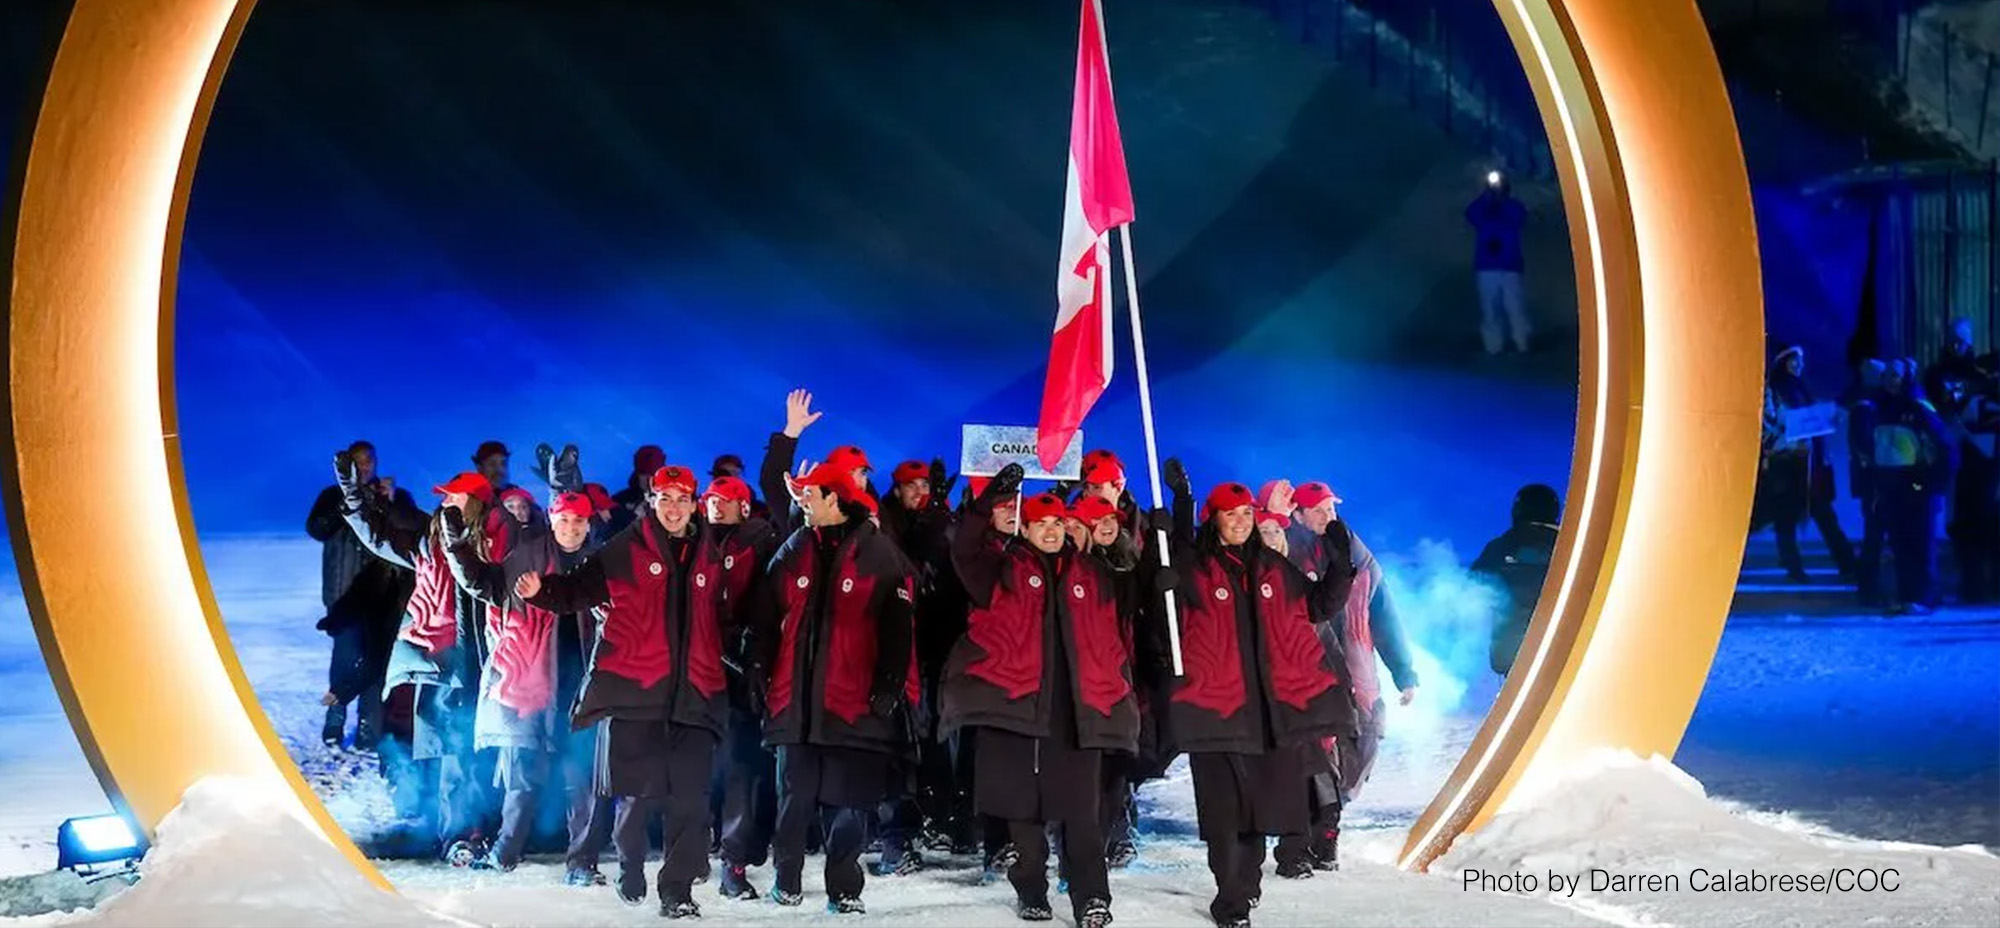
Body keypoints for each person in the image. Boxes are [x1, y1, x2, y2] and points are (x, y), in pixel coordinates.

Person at [517, 465, 733, 918]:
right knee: (635, 797)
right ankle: (630, 864)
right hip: (637, 694)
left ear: (693, 504)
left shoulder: (708, 552)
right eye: (665, 498)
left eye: (681, 499)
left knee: (690, 800)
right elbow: (578, 589)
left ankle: (677, 892)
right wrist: (542, 591)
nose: (673, 508)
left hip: (693, 695)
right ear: (651, 501)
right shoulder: (625, 548)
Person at [1158, 473, 1360, 928]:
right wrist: (1182, 502)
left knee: (1259, 810)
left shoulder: (1272, 566)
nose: (1242, 522)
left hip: (1269, 715)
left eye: (1247, 513)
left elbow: (1319, 606)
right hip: (1213, 711)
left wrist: (1340, 559)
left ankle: (1245, 889)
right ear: (1215, 521)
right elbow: (1171, 569)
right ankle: (1229, 897)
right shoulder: (1195, 568)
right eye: (1232, 515)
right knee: (1224, 813)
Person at [942, 471, 1137, 927]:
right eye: (1040, 523)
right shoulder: (999, 570)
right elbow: (964, 550)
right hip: (1016, 709)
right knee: (1023, 810)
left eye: (1057, 522)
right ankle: (1031, 889)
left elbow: (1129, 596)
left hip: (1077, 712)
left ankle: (1092, 898)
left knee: (1081, 813)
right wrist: (988, 499)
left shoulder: (1092, 573)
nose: (1051, 530)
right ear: (1024, 529)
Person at [746, 461, 919, 915]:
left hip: (854, 703)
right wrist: (760, 666)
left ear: (835, 499)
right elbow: (764, 618)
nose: (803, 502)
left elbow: (899, 626)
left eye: (811, 495)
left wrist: (890, 683)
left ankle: (845, 888)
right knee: (793, 800)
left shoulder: (878, 553)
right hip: (795, 704)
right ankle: (787, 881)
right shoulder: (793, 547)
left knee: (849, 803)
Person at [333, 454, 498, 863]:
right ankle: (454, 835)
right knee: (447, 753)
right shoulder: (429, 544)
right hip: (436, 664)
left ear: (475, 504)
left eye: (454, 498)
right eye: (443, 499)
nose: (444, 505)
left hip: (485, 665)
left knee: (477, 756)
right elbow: (379, 536)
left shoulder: (495, 546)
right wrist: (354, 498)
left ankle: (480, 832)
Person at [1261, 477, 1417, 876]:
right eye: (1318, 511)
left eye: (1332, 509)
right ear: (1298, 514)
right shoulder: (1285, 553)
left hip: (1358, 674)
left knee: (1360, 751)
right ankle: (1316, 836)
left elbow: (1384, 614)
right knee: (1315, 757)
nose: (1328, 517)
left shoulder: (1357, 557)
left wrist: (1404, 671)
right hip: (1309, 674)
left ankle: (1327, 821)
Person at [440, 489, 600, 875]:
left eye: (579, 521)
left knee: (584, 781)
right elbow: (482, 584)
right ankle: (505, 853)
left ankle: (581, 863)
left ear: (589, 524)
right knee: (522, 781)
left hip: (585, 688)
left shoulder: (599, 562)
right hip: (528, 686)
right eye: (564, 520)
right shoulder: (525, 558)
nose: (572, 528)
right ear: (551, 518)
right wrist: (456, 544)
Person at [306, 440, 418, 749]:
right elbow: (317, 529)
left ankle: (370, 725)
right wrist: (347, 500)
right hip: (344, 594)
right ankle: (335, 718)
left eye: (369, 461)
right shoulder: (332, 496)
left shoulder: (393, 496)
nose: (365, 467)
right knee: (345, 657)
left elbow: (410, 531)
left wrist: (390, 501)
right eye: (358, 462)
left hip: (384, 593)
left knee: (376, 659)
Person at [704, 474, 785, 900]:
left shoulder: (761, 542)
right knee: (696, 770)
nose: (718, 507)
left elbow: (768, 606)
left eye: (727, 500)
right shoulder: (689, 541)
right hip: (696, 675)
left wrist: (751, 654)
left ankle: (734, 860)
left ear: (745, 506)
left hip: (740, 673)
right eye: (712, 500)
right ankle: (698, 851)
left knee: (740, 770)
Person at [1851, 359, 1958, 614]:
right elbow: (1877, 449)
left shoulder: (1919, 407)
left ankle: (1925, 597)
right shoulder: (1881, 408)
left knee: (1921, 544)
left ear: (1907, 377)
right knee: (1900, 545)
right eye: (1887, 375)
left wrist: (1936, 482)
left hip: (1919, 486)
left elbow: (1945, 446)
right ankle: (1906, 595)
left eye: (1896, 375)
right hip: (1892, 488)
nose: (1891, 380)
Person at [1753, 346, 1857, 582]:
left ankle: (1847, 562)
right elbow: (1769, 424)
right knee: (1786, 518)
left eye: (1800, 361)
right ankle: (1794, 567)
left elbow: (1812, 422)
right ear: (1783, 362)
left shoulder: (1802, 390)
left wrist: (1824, 420)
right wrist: (1793, 429)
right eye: (1794, 361)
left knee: (1823, 514)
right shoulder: (1773, 390)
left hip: (1809, 466)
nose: (1799, 366)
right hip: (1787, 463)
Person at [1472, 484, 1562, 676]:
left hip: (1511, 653)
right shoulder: (1573, 545)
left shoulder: (1500, 547)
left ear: (1518, 509)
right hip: (1564, 647)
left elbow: (1471, 587)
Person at [1465, 173, 1530, 355]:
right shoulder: (1482, 208)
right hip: (1487, 267)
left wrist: (1499, 200)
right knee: (1490, 309)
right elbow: (1470, 213)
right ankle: (1494, 346)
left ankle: (1521, 343)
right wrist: (1485, 196)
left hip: (1509, 266)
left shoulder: (1514, 207)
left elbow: (1520, 216)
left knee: (1515, 307)